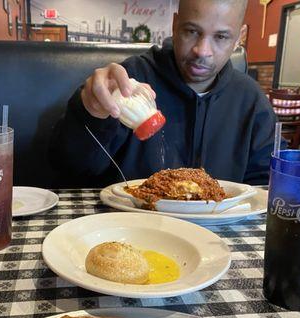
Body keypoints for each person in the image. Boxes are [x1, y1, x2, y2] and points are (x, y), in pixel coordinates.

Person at [50, 0, 276, 186]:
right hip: (132, 229)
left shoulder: (252, 101)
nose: (202, 51)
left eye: (221, 37)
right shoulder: (126, 83)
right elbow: (71, 170)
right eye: (191, 31)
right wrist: (90, 113)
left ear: (240, 37)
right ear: (175, 25)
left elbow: (263, 186)